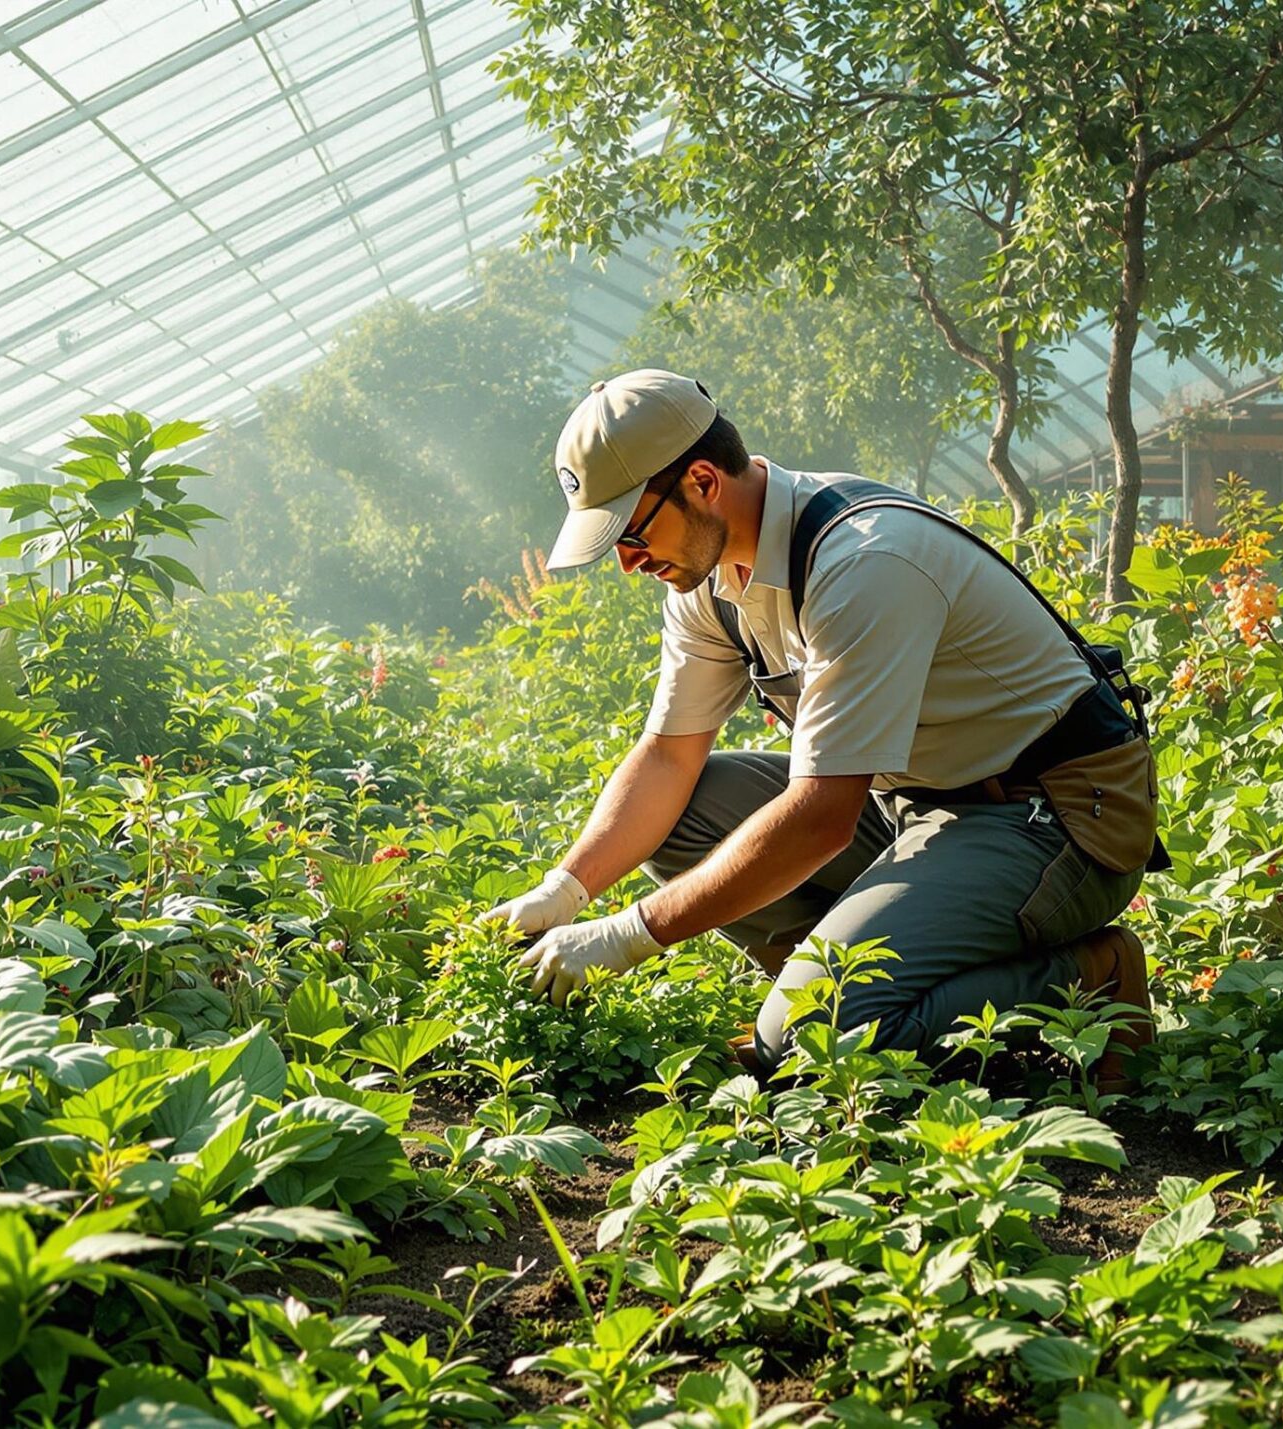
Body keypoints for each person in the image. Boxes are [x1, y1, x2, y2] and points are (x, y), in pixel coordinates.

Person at [481, 369, 1164, 1085]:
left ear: (703, 483)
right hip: (917, 804)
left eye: (631, 531)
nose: (627, 563)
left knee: (817, 1030)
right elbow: (666, 759)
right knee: (691, 810)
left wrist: (628, 935)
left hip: (1051, 817)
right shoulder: (708, 580)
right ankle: (844, 996)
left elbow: (819, 820)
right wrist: (565, 889)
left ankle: (1092, 974)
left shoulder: (864, 560)